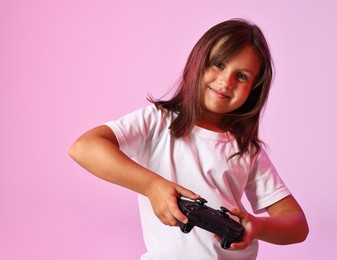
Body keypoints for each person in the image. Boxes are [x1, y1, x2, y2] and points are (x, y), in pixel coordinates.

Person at [69, 18, 309, 259]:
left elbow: (297, 225)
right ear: (198, 62)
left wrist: (259, 227)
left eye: (242, 76)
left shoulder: (245, 149)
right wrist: (152, 186)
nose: (226, 81)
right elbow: (84, 147)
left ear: (254, 88)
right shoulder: (158, 121)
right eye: (218, 64)